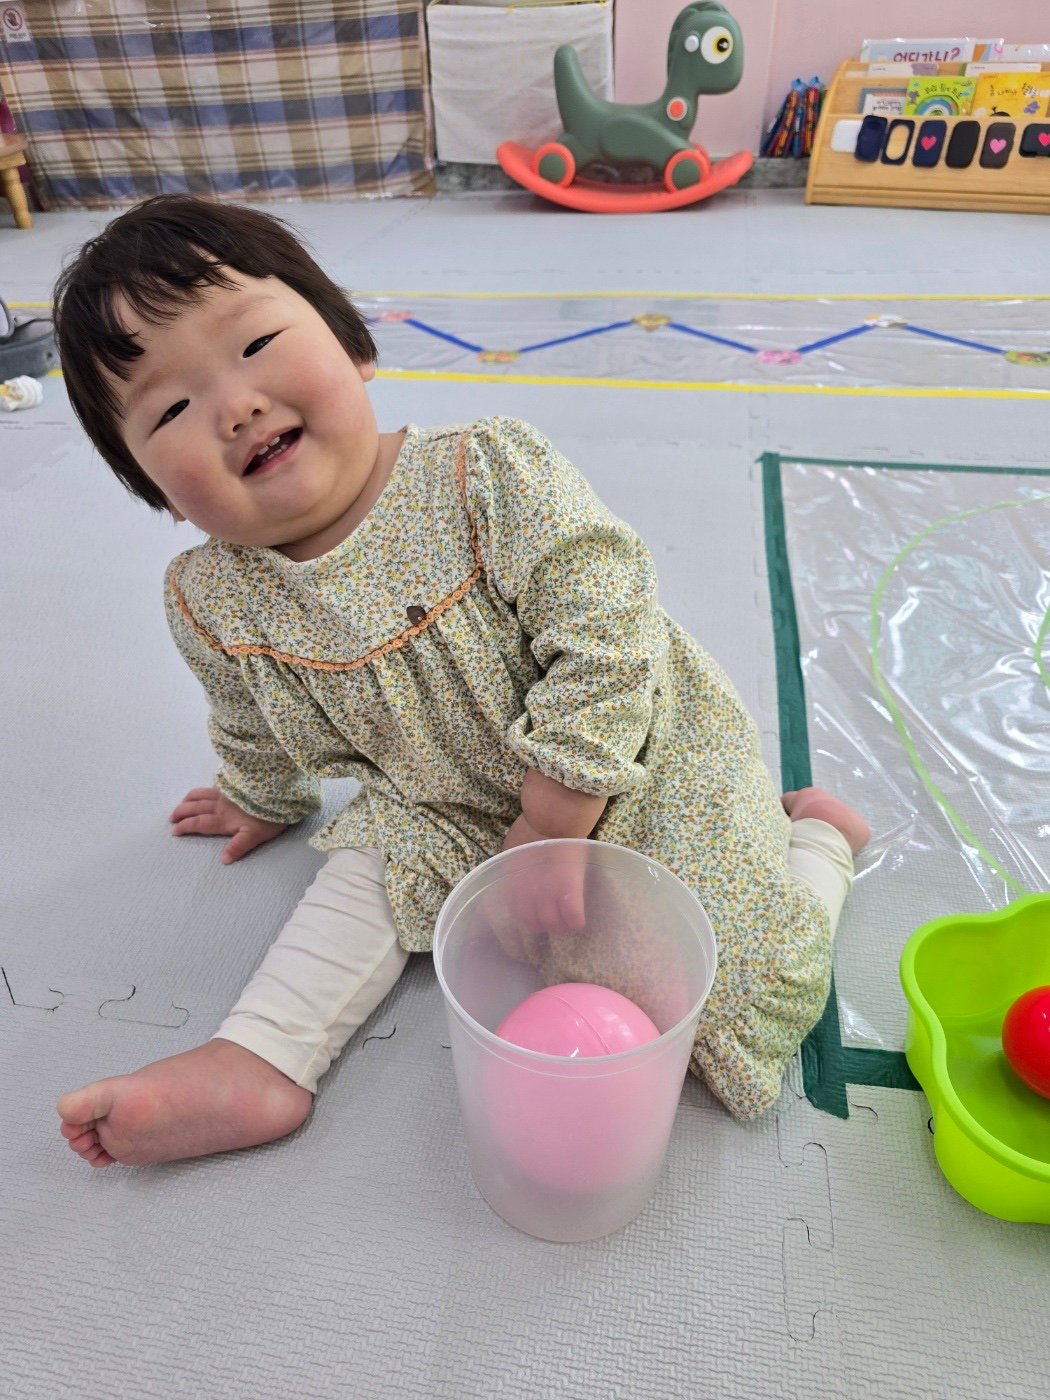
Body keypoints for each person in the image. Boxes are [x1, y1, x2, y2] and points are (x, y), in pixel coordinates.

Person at [51, 196, 869, 1169]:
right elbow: (248, 718)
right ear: (155, 489)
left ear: (353, 344)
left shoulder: (486, 475)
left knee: (731, 998)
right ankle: (263, 1054)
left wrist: (554, 820)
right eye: (172, 409)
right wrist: (260, 796)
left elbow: (610, 635)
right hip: (440, 800)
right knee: (361, 869)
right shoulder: (212, 598)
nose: (234, 407)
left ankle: (821, 841)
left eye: (257, 343)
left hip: (628, 759)